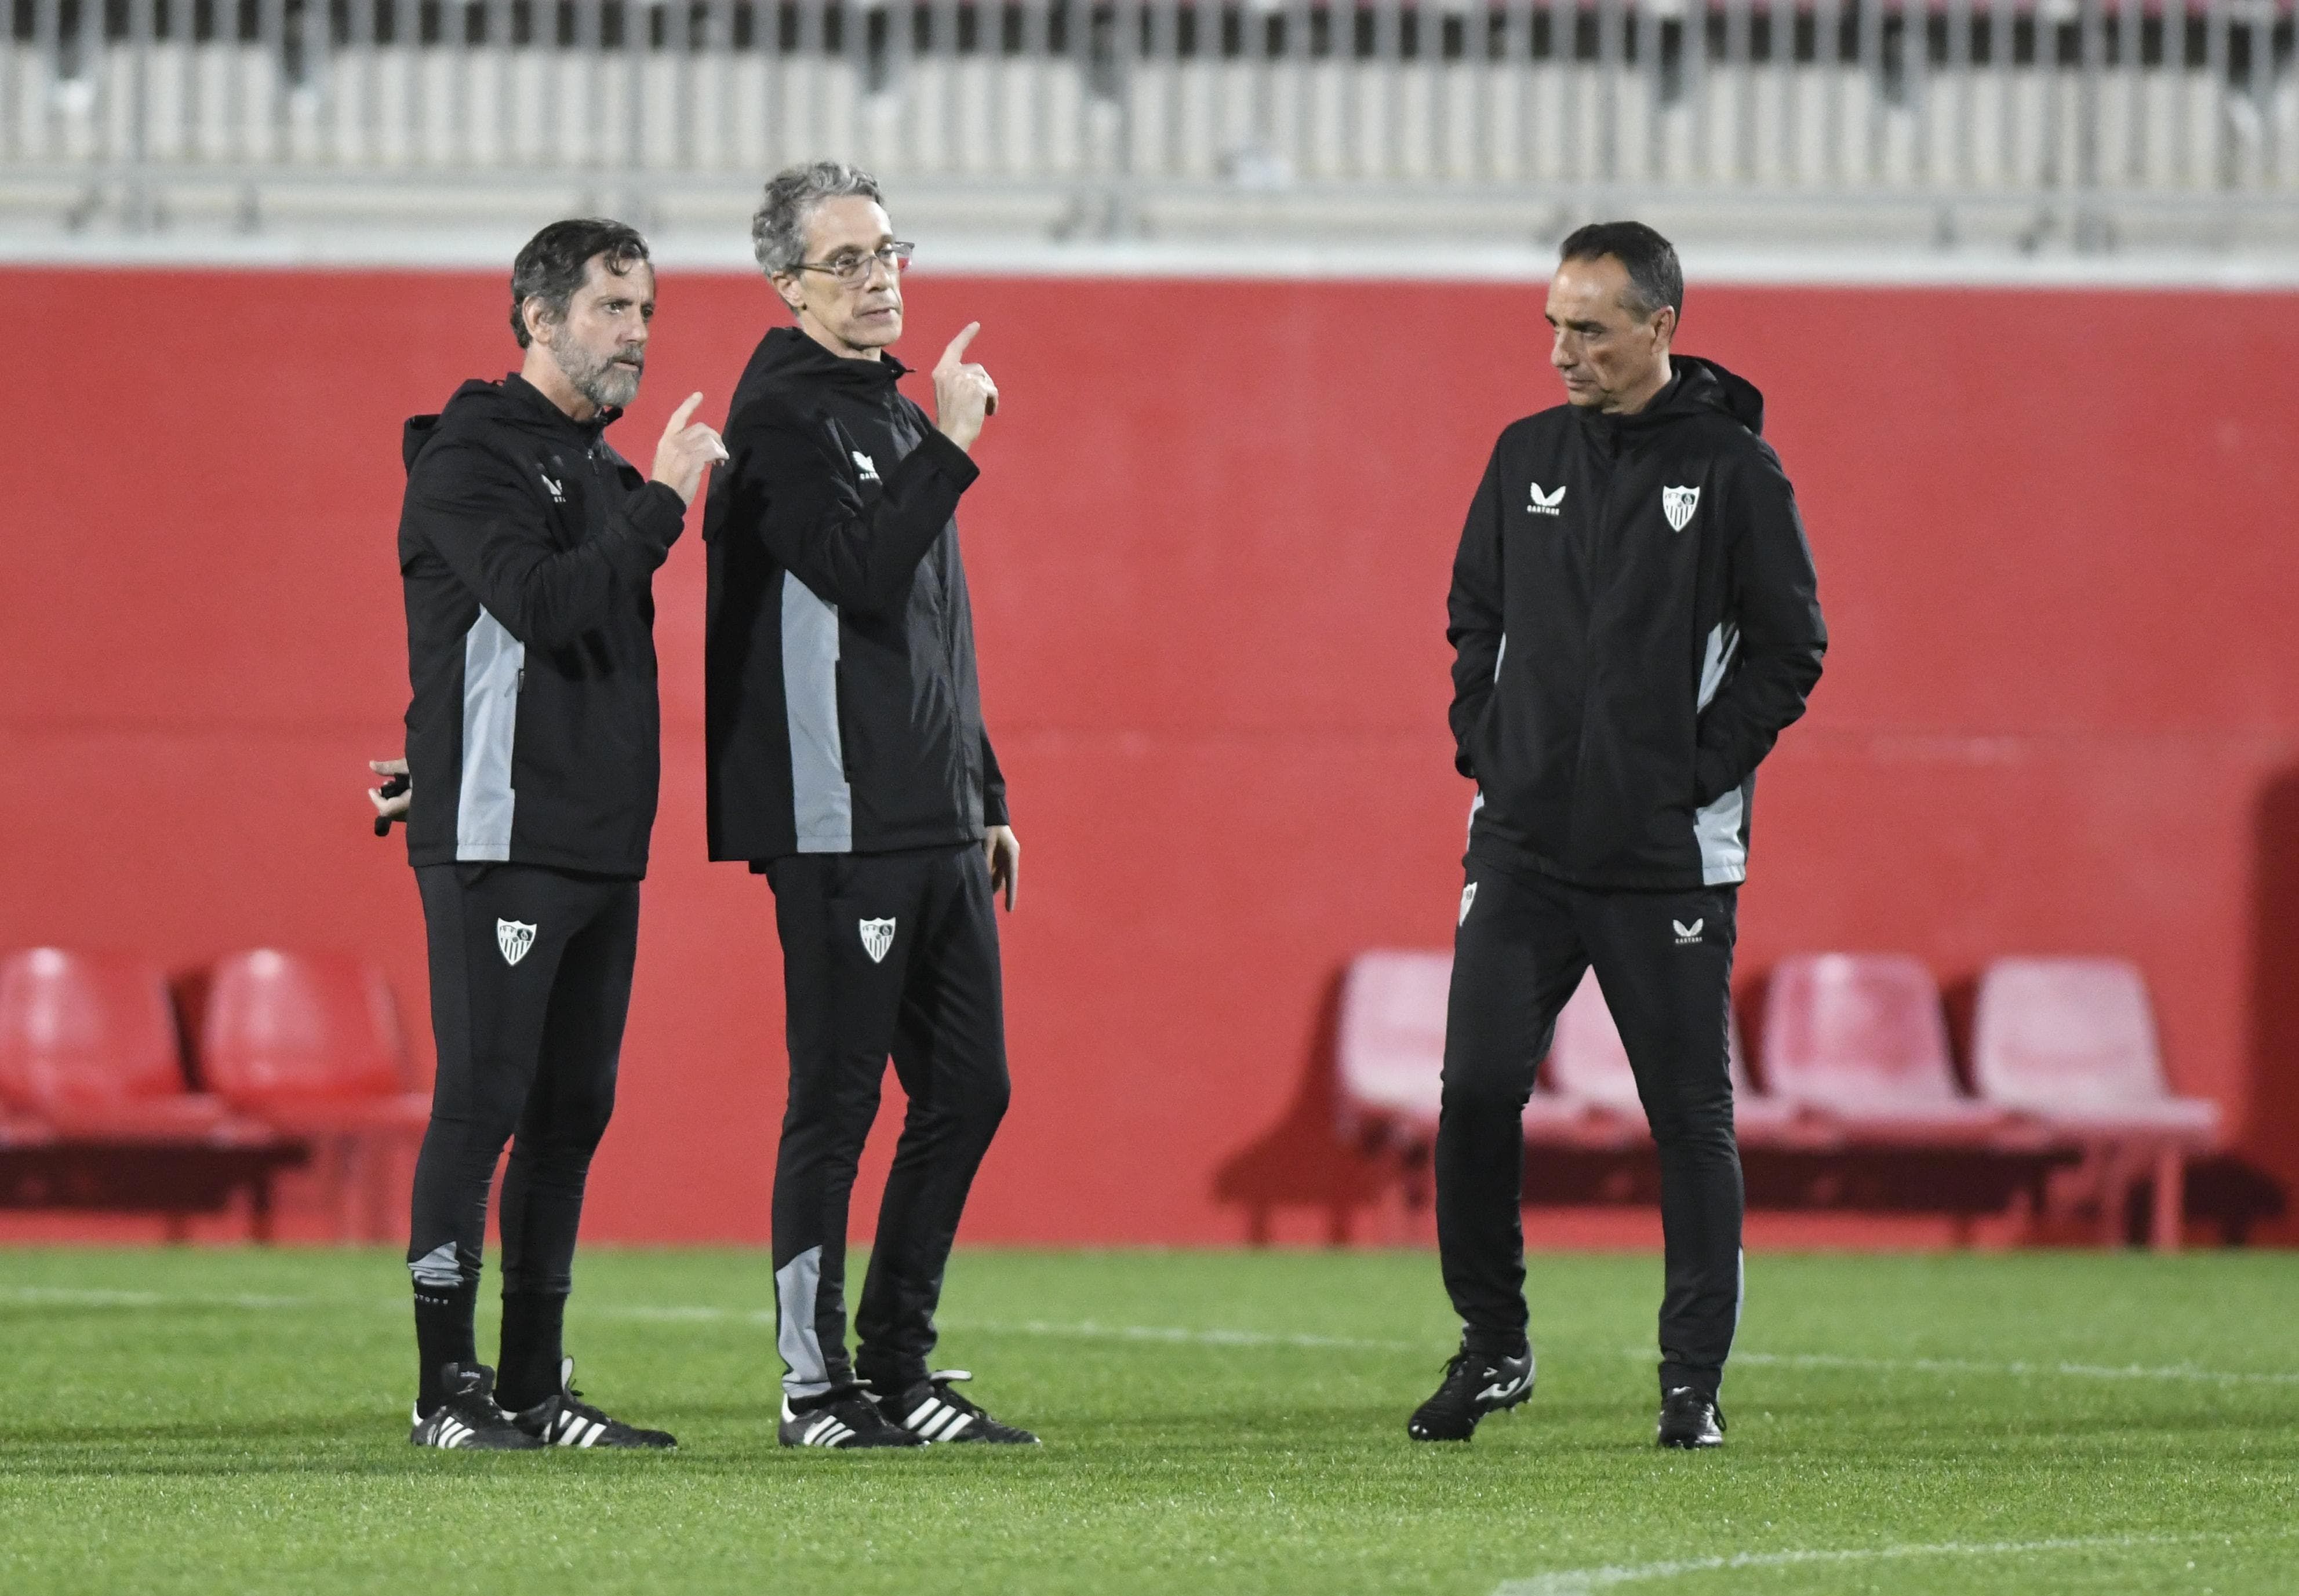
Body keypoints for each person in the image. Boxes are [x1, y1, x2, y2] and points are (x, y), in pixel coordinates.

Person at [1413, 221, 1826, 1449]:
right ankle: (1494, 1350)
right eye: (1554, 324)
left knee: (1688, 1119)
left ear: (1661, 327)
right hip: (1524, 846)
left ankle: (1690, 1382)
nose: (1563, 350)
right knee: (1477, 1095)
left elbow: (1791, 647)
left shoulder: (1738, 471)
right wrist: (1488, 743)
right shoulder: (1523, 453)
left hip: (1667, 860)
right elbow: (1472, 611)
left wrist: (1687, 777)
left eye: (1590, 328)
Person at [376, 217, 726, 1449]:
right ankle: (443, 1390)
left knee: (572, 1113)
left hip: (594, 841)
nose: (635, 335)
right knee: (482, 1104)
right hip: (502, 835)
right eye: (612, 310)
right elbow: (532, 604)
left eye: (646, 313)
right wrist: (665, 510)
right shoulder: (473, 454)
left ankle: (530, 1386)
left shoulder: (598, 471)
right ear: (538, 315)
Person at [702, 162, 1032, 1449]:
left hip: (934, 815)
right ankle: (811, 1386)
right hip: (838, 819)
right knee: (836, 1101)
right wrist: (952, 445)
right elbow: (849, 569)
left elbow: (932, 625)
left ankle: (898, 1368)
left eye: (889, 249)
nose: (880, 275)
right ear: (786, 287)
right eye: (846, 260)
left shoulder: (888, 415)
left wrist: (985, 785)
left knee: (973, 1090)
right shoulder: (782, 414)